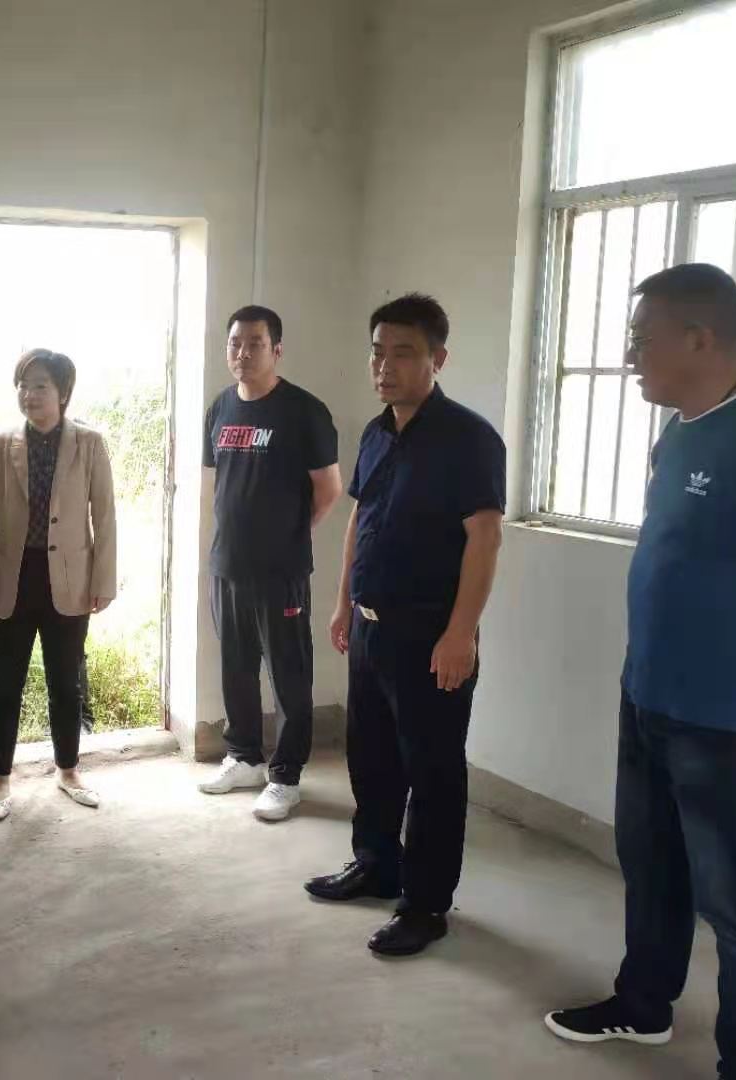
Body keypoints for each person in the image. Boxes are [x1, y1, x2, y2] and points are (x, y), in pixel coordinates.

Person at [546, 264, 736, 1080]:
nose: (630, 355)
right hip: (649, 697)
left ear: (699, 338)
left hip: (727, 722)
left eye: (642, 338)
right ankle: (642, 1005)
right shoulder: (677, 433)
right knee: (651, 865)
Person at [305, 293, 504, 957]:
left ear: (437, 359)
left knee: (434, 772)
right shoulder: (375, 432)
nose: (384, 367)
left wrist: (461, 634)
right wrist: (343, 603)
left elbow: (484, 538)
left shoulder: (469, 439)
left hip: (431, 635)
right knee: (372, 758)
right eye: (377, 353)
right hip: (370, 627)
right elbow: (360, 522)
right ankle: (376, 865)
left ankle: (425, 904)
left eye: (403, 353)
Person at [197, 305, 341, 822]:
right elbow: (216, 482)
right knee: (236, 668)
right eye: (235, 342)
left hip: (282, 570)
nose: (243, 352)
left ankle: (285, 777)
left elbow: (329, 489)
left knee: (288, 675)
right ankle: (244, 757)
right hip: (228, 564)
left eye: (255, 343)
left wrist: (291, 533)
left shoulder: (304, 411)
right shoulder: (220, 408)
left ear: (276, 350)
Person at [0, 349, 116, 821]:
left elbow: (104, 516)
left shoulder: (89, 444)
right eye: (23, 386)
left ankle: (68, 771)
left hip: (68, 581)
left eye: (40, 386)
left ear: (63, 392)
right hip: (12, 578)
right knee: (4, 683)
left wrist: (103, 581)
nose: (29, 395)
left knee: (66, 683)